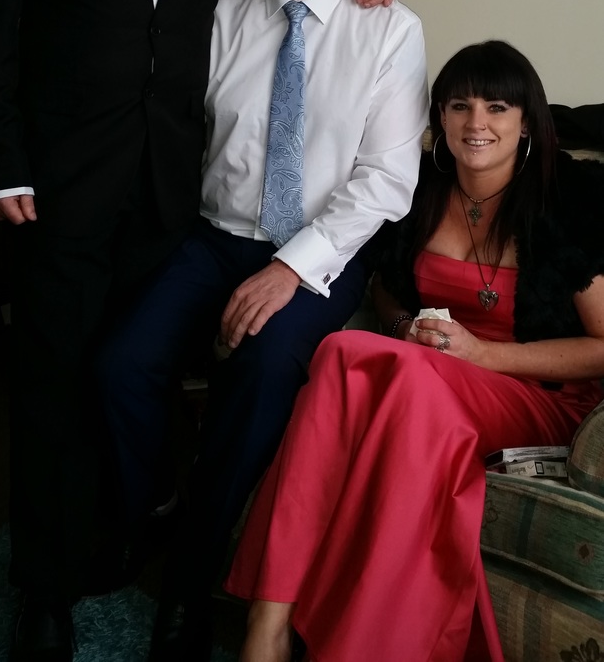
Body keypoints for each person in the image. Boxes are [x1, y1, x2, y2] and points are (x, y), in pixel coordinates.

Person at [0, 0, 397, 662]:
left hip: (173, 198)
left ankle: (129, 528)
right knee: (50, 385)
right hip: (57, 190)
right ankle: (45, 586)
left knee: (133, 373)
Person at [95, 0, 429, 660]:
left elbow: (386, 181)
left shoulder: (391, 30)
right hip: (214, 238)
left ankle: (191, 585)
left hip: (322, 253)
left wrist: (290, 268)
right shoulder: (224, 8)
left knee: (258, 375)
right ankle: (158, 501)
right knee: (120, 367)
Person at [225, 40, 604, 662]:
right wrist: (404, 327)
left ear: (526, 123)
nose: (476, 123)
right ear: (439, 118)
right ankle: (268, 624)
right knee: (343, 351)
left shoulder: (567, 200)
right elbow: (387, 288)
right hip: (430, 378)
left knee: (398, 378)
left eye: (497, 108)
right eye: (459, 106)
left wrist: (482, 355)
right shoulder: (420, 190)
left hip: (539, 398)